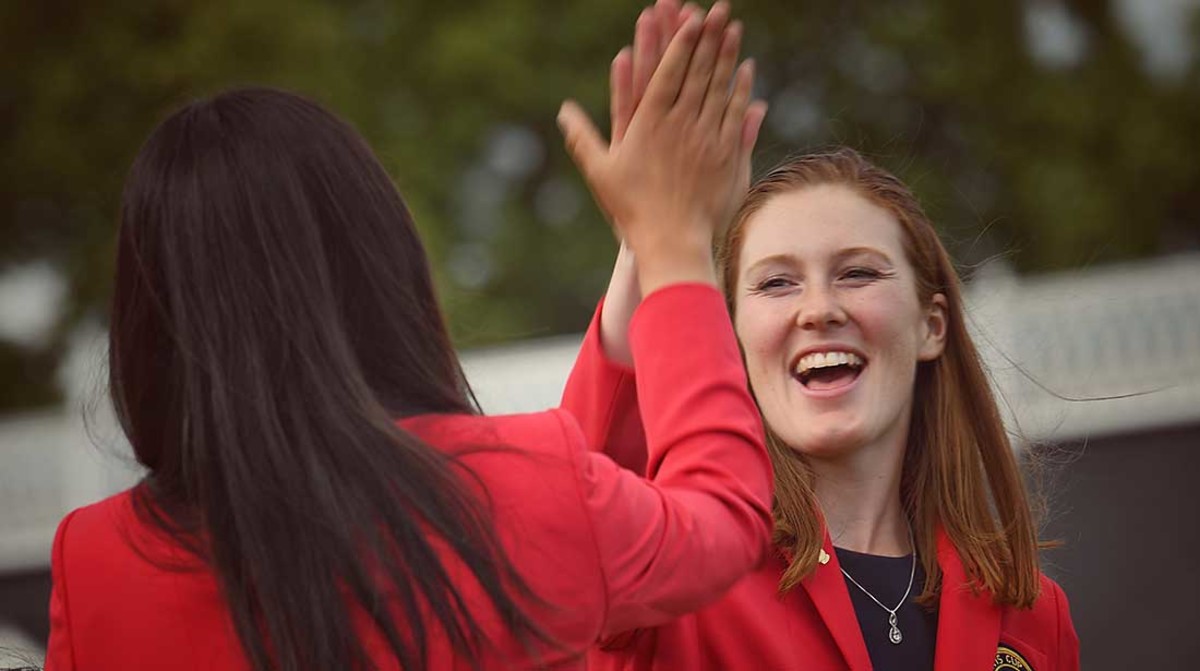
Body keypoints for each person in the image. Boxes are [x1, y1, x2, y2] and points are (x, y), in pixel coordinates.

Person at [44, 6, 774, 670]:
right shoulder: (512, 492)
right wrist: (674, 242)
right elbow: (722, 515)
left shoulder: (94, 565)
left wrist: (648, 247)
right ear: (377, 267)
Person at [560, 3, 1080, 669]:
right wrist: (654, 235)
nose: (818, 308)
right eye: (776, 283)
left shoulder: (1036, 616)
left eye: (858, 272)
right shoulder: (680, 577)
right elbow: (574, 519)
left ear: (931, 325)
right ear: (733, 337)